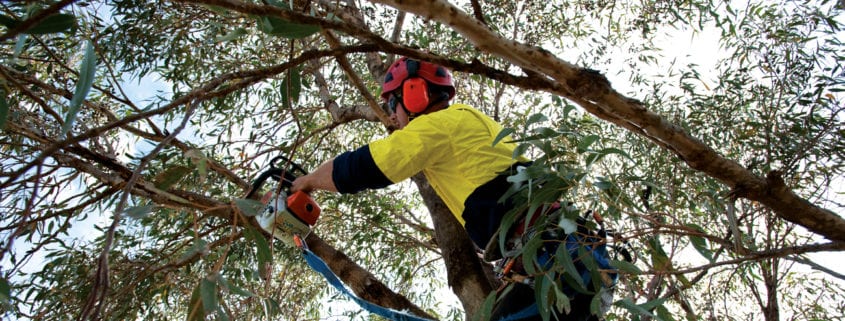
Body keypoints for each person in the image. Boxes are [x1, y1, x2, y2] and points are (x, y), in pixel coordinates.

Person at [291, 57, 602, 321]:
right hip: (575, 252)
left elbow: (365, 166)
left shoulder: (437, 126)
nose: (391, 116)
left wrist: (306, 182)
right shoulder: (470, 121)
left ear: (413, 93)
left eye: (391, 104)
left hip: (554, 259)